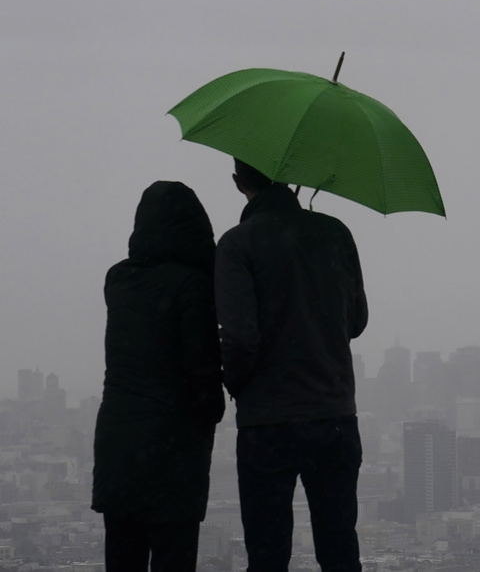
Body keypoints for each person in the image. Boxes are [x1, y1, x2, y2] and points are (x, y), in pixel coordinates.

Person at [216, 158, 368, 572]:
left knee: (267, 555)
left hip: (268, 424)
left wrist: (238, 385)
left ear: (237, 182)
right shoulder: (335, 234)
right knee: (339, 550)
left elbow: (240, 338)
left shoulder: (237, 244)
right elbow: (357, 322)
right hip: (334, 416)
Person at [92, 181, 225, 572]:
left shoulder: (118, 280)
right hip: (174, 451)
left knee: (122, 556)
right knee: (173, 557)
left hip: (119, 445)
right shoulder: (192, 286)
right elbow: (200, 377)